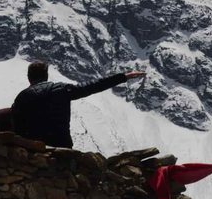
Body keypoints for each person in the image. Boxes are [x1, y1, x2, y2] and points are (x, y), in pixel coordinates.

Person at [9, 60, 144, 148]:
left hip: (32, 148)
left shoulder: (22, 97)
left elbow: (15, 124)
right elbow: (93, 86)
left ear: (29, 77)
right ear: (46, 76)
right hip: (61, 146)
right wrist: (123, 77)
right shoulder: (61, 89)